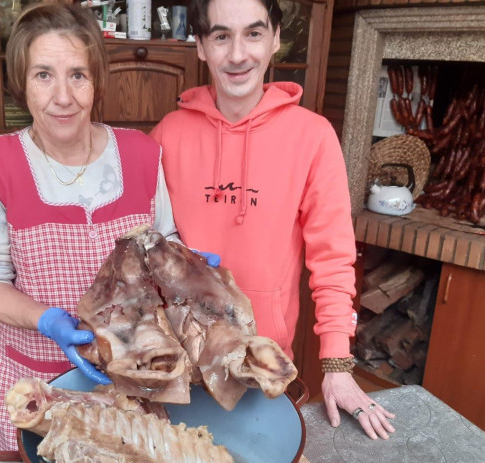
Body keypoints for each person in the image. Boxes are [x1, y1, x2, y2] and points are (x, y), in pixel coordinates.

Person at [0, 3, 216, 451]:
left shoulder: (140, 154)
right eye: (43, 75)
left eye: (77, 74)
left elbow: (163, 242)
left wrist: (187, 267)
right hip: (39, 386)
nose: (63, 96)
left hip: (134, 380)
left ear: (96, 81)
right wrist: (45, 320)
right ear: (22, 82)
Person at [150, 0, 396, 440]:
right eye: (222, 36)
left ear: (276, 38)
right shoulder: (168, 133)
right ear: (202, 46)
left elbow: (334, 258)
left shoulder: (313, 137)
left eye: (254, 33)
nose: (239, 54)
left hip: (263, 364)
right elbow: (144, 244)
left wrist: (336, 364)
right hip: (181, 363)